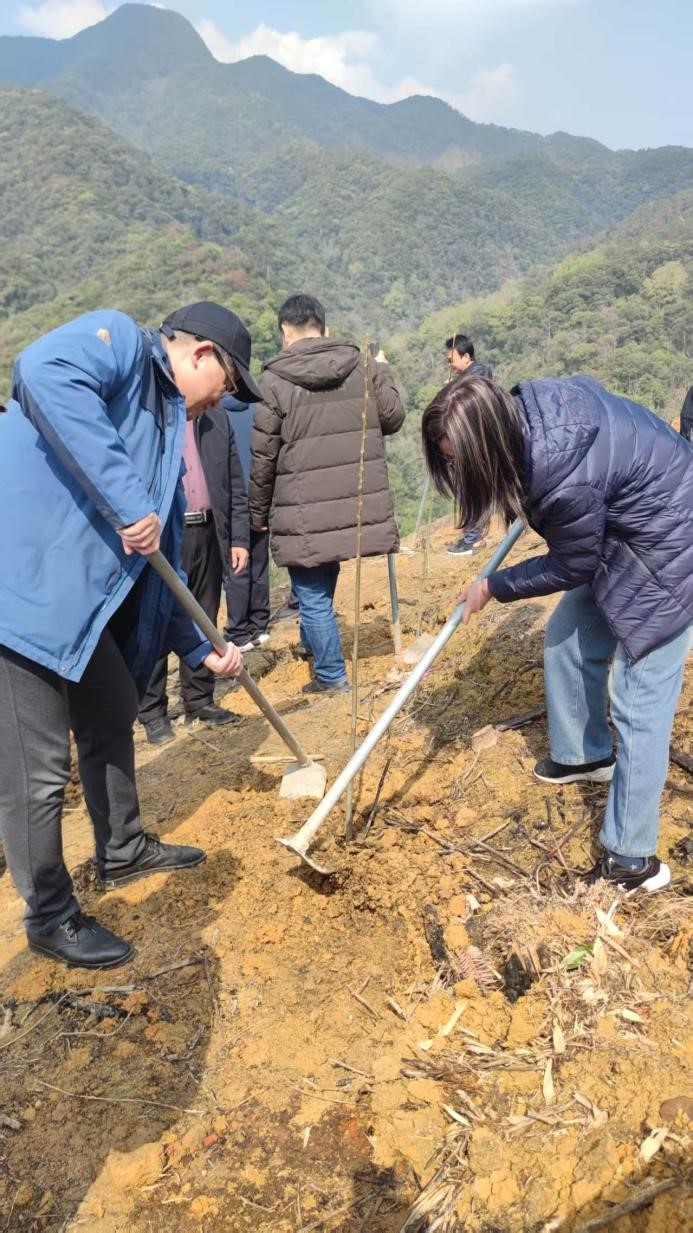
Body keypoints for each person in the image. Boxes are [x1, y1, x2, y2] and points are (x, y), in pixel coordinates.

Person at [0, 301, 261, 969]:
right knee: (38, 772)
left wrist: (204, 645)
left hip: (77, 615)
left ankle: (121, 848)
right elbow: (40, 371)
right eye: (227, 385)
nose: (220, 402)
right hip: (19, 595)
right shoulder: (120, 344)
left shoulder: (165, 426)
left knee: (114, 710)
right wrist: (126, 497)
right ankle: (50, 916)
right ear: (201, 353)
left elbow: (159, 568)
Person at [422, 374, 692, 893]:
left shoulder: (562, 476)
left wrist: (494, 586)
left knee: (639, 699)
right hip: (627, 530)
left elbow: (572, 562)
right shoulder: (529, 413)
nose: (457, 471)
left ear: (491, 444)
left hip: (672, 544)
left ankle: (631, 859)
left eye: (461, 462)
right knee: (569, 632)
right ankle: (584, 756)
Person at [248, 293, 405, 694]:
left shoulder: (274, 381)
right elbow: (392, 418)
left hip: (300, 507)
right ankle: (312, 642)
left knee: (312, 591)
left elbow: (264, 453)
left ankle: (331, 675)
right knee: (325, 568)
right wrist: (383, 372)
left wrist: (257, 512)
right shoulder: (362, 367)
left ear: (285, 332)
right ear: (325, 327)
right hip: (350, 501)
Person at [138, 384, 252, 745]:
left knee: (205, 614)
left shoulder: (215, 418)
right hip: (163, 534)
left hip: (208, 529)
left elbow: (234, 480)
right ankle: (153, 711)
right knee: (157, 618)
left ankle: (200, 700)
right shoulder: (150, 420)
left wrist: (238, 538)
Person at [221, 394, 272, 652]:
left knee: (236, 565)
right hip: (260, 492)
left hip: (232, 498)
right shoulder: (259, 408)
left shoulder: (213, 413)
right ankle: (259, 624)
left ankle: (238, 631)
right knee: (259, 562)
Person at [444, 333, 494, 557]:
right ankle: (473, 535)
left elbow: (472, 390)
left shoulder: (479, 373)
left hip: (475, 444)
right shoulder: (466, 376)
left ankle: (472, 539)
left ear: (466, 357)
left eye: (452, 359)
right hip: (469, 443)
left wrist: (452, 388)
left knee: (471, 489)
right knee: (468, 489)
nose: (451, 364)